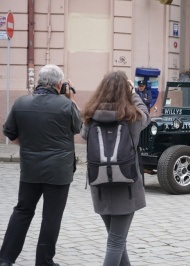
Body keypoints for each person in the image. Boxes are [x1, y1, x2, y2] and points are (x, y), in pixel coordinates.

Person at [1, 64, 81, 266]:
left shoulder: (21, 103)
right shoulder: (66, 105)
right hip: (59, 172)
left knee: (22, 210)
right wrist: (71, 98)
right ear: (59, 84)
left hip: (30, 169)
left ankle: (5, 259)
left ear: (39, 82)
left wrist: (26, 143)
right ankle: (44, 262)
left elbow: (9, 132)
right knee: (51, 217)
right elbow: (77, 126)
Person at [80, 71, 151, 266]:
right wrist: (134, 92)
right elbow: (146, 115)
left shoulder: (90, 115)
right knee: (116, 242)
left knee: (117, 240)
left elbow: (84, 135)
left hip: (100, 184)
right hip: (126, 185)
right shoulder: (132, 116)